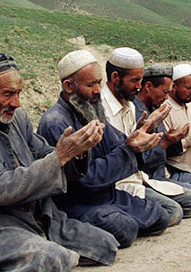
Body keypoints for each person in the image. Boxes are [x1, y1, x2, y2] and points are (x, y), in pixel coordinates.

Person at [0, 53, 119, 272]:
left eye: (18, 93)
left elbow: (46, 154)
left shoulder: (18, 119)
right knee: (50, 258)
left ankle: (52, 248)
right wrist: (61, 156)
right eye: (8, 94)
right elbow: (0, 188)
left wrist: (78, 151)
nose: (16, 103)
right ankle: (46, 253)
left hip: (37, 217)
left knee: (106, 244)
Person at [37, 50, 170, 248]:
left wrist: (141, 134)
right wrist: (129, 150)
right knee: (124, 228)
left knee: (160, 216)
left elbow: (121, 144)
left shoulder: (91, 110)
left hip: (107, 196)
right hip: (79, 202)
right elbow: (85, 179)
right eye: (91, 84)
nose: (98, 90)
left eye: (99, 82)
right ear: (69, 86)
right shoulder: (55, 122)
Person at [101, 49, 191, 223]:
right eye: (134, 81)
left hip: (141, 178)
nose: (138, 86)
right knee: (173, 212)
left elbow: (138, 152)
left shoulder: (130, 106)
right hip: (119, 184)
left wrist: (152, 136)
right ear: (116, 77)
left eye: (140, 81)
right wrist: (159, 142)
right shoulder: (102, 109)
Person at [135, 64, 191, 207]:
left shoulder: (158, 109)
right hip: (164, 172)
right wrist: (169, 142)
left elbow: (165, 147)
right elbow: (145, 157)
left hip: (171, 171)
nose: (166, 97)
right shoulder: (144, 112)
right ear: (148, 87)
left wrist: (176, 140)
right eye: (165, 91)